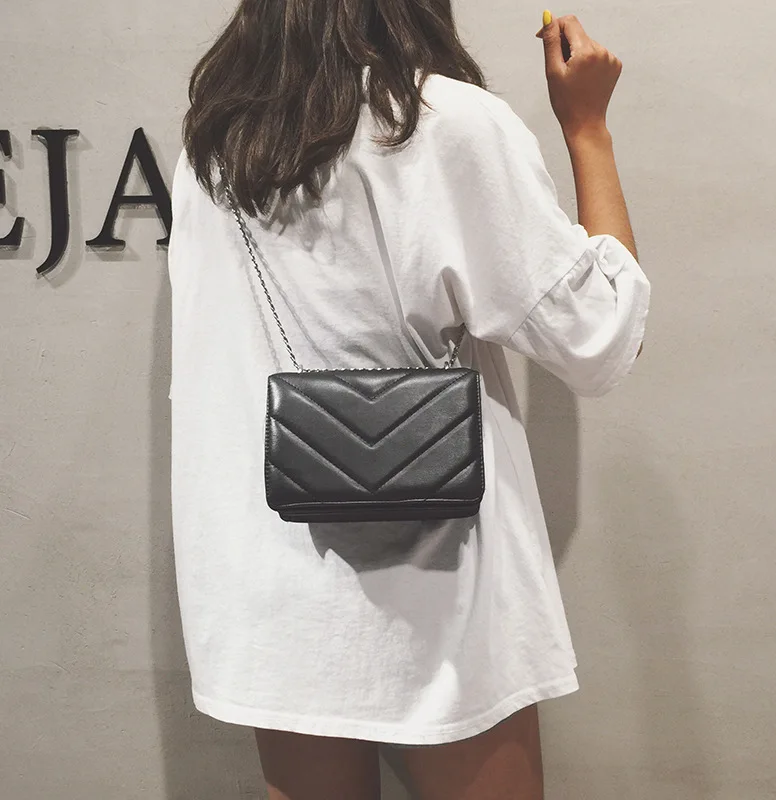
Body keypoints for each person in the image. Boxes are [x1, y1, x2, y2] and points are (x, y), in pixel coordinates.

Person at [167, 0, 650, 796]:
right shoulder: (439, 122)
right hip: (439, 583)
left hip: (272, 583)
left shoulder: (215, 145)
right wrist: (588, 127)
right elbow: (600, 337)